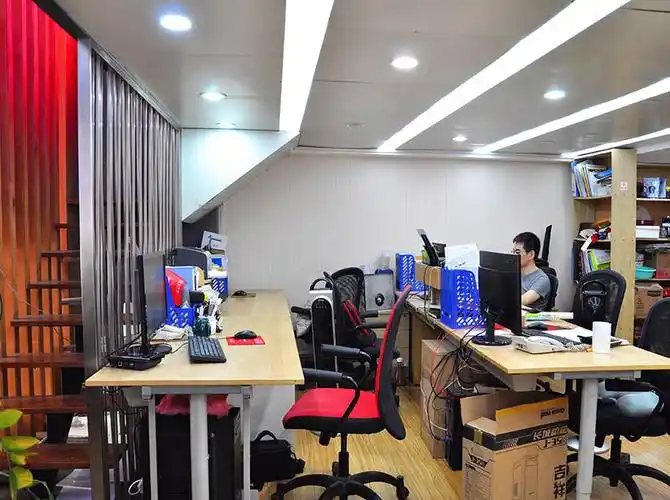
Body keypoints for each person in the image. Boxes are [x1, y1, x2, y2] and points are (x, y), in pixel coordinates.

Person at [512, 232, 551, 311]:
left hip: (525, 317)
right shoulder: (514, 273)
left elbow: (519, 302)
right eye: (513, 252)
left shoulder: (541, 279)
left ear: (531, 255)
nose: (513, 255)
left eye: (517, 252)